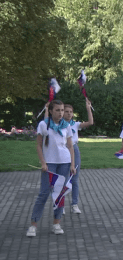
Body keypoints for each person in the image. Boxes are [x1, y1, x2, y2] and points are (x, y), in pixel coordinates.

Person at [26, 100, 76, 237]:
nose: (60, 113)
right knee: (44, 193)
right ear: (51, 111)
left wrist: (72, 164)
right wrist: (43, 163)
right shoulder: (44, 124)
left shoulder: (67, 126)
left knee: (60, 194)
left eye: (62, 110)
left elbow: (70, 146)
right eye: (58, 110)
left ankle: (56, 223)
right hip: (49, 163)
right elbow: (38, 145)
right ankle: (33, 225)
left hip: (64, 163)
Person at [56, 99, 93, 214]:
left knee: (74, 179)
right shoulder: (58, 124)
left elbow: (90, 122)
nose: (69, 113)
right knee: (63, 179)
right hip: (62, 150)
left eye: (71, 112)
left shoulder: (75, 124)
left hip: (74, 149)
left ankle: (74, 204)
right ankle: (60, 205)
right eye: (66, 111)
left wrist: (88, 108)